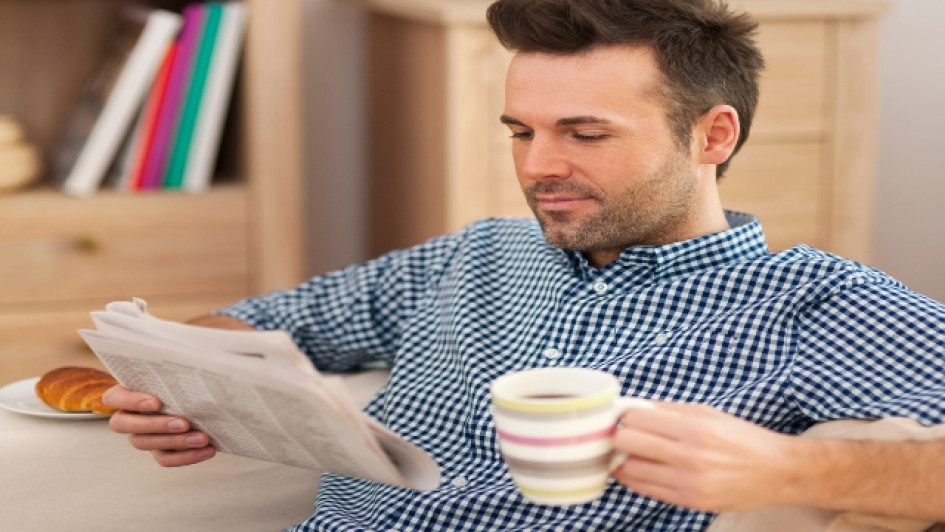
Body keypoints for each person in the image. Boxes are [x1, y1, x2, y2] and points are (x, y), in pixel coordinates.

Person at [104, 0, 945, 530]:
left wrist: (787, 468)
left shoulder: (812, 303)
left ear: (711, 137)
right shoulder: (475, 254)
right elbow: (252, 326)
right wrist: (175, 389)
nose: (539, 164)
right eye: (521, 131)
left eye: (584, 134)